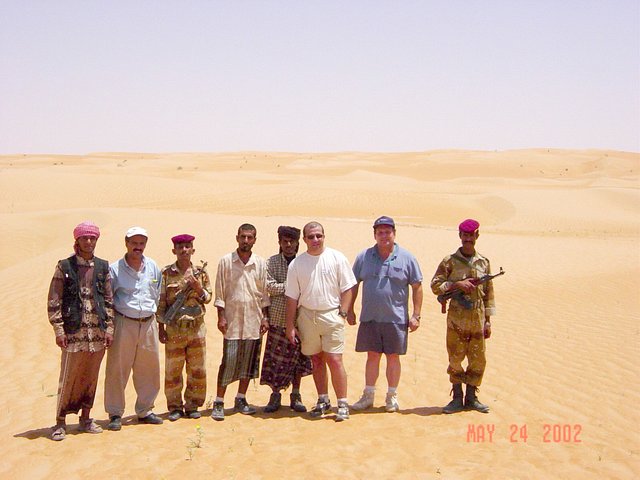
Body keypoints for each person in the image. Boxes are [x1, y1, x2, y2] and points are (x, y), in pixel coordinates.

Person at [47, 221, 114, 441]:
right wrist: (59, 330)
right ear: (77, 240)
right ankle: (60, 422)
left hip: (97, 333)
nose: (88, 242)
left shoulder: (104, 267)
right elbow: (54, 300)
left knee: (90, 377)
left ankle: (86, 418)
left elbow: (109, 300)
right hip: (73, 332)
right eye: (84, 238)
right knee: (68, 377)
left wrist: (109, 328)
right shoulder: (64, 267)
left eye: (92, 238)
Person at [348, 216, 423, 413]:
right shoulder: (364, 257)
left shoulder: (407, 258)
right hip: (370, 317)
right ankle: (368, 395)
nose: (384, 236)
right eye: (380, 232)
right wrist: (349, 309)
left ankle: (392, 396)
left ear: (394, 233)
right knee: (372, 356)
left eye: (387, 232)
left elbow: (417, 287)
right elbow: (353, 283)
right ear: (374, 235)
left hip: (396, 318)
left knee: (393, 357)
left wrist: (416, 315)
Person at [285, 221, 357, 422]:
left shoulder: (337, 258)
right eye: (311, 237)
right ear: (304, 239)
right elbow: (291, 297)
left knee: (335, 359)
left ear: (324, 236)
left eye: (319, 236)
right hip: (307, 316)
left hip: (331, 315)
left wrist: (343, 311)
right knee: (316, 360)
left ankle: (342, 403)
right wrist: (290, 326)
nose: (315, 240)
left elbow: (348, 287)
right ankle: (323, 400)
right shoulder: (297, 264)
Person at [430, 219, 495, 414]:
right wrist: (457, 284)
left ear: (477, 236)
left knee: (478, 359)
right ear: (460, 236)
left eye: (471, 235)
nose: (468, 239)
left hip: (477, 317)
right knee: (455, 358)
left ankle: (472, 397)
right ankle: (457, 397)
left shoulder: (484, 262)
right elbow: (435, 286)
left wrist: (488, 321)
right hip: (456, 318)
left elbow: (489, 293)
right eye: (464, 235)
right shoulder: (449, 261)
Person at [105, 226, 163, 430]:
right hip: (124, 322)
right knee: (117, 369)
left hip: (148, 323)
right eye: (134, 243)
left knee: (149, 369)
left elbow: (157, 292)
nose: (138, 247)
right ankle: (114, 413)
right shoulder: (114, 269)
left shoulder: (154, 266)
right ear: (126, 243)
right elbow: (108, 299)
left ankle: (145, 410)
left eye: (141, 243)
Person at [211, 224, 270, 421]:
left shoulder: (260, 263)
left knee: (249, 362)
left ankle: (241, 398)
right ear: (237, 237)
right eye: (243, 237)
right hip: (233, 321)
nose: (246, 241)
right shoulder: (226, 262)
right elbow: (220, 293)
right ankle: (219, 401)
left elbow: (264, 294)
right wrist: (221, 316)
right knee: (229, 361)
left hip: (254, 320)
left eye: (250, 237)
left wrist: (265, 317)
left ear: (255, 239)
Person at [157, 234, 212, 421]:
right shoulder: (166, 274)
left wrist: (197, 287)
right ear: (174, 251)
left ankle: (193, 405)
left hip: (196, 328)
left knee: (197, 370)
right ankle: (174, 406)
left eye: (188, 247)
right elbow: (161, 302)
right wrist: (161, 328)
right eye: (180, 247)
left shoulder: (200, 273)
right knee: (173, 370)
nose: (184, 250)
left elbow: (208, 298)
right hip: (175, 330)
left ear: (193, 250)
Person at [260, 226, 313, 413]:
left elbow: (308, 288)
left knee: (298, 360)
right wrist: (291, 288)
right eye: (284, 241)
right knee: (275, 360)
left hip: (301, 321)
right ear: (280, 242)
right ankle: (275, 395)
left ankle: (296, 395)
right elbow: (269, 287)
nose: (288, 245)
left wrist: (292, 290)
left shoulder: (304, 262)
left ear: (298, 242)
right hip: (277, 319)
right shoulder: (272, 262)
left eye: (291, 241)